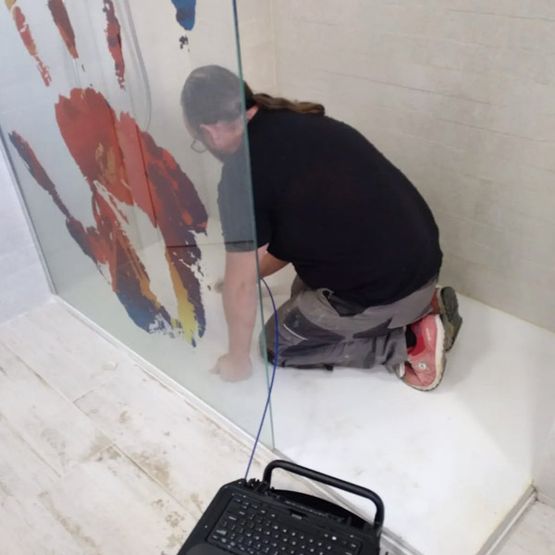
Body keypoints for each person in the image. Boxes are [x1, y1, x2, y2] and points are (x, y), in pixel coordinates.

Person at [181, 65, 462, 391]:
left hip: (392, 290)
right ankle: (423, 307)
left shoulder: (240, 176)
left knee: (277, 343)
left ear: (211, 131)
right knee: (302, 296)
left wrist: (236, 359)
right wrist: (245, 275)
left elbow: (241, 286)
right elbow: (296, 230)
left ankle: (408, 344)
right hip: (419, 266)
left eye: (199, 140)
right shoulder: (292, 119)